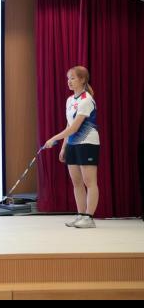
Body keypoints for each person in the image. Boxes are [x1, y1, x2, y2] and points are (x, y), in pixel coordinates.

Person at [45, 66, 99, 228]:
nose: (69, 81)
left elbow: (75, 128)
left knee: (89, 181)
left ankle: (89, 218)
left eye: (73, 78)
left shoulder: (86, 100)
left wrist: (53, 138)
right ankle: (80, 215)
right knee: (76, 182)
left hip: (87, 143)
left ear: (82, 80)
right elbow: (69, 125)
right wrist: (63, 147)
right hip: (72, 144)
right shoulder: (70, 100)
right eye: (68, 78)